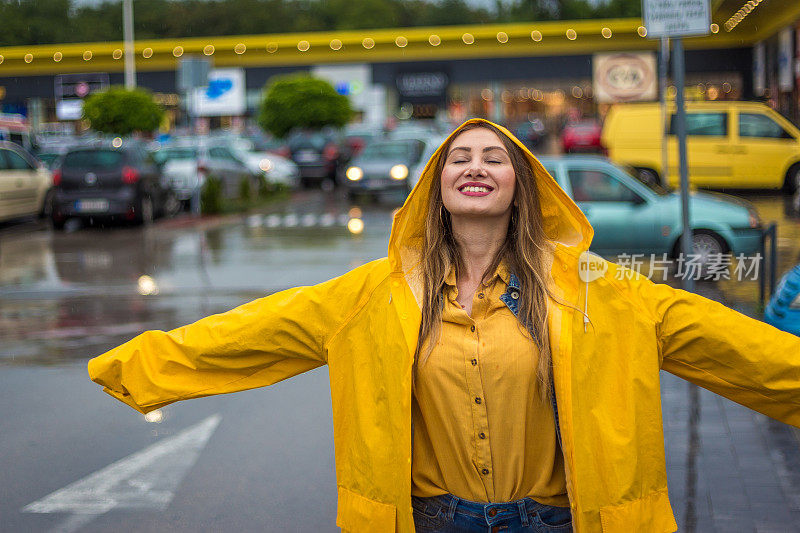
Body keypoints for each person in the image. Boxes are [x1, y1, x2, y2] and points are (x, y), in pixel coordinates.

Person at [88, 118, 800, 533]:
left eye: (495, 157)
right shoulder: (373, 294)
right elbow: (254, 331)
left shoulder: (602, 294)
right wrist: (138, 369)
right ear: (437, 187)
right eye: (459, 157)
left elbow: (737, 348)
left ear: (523, 185)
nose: (476, 166)